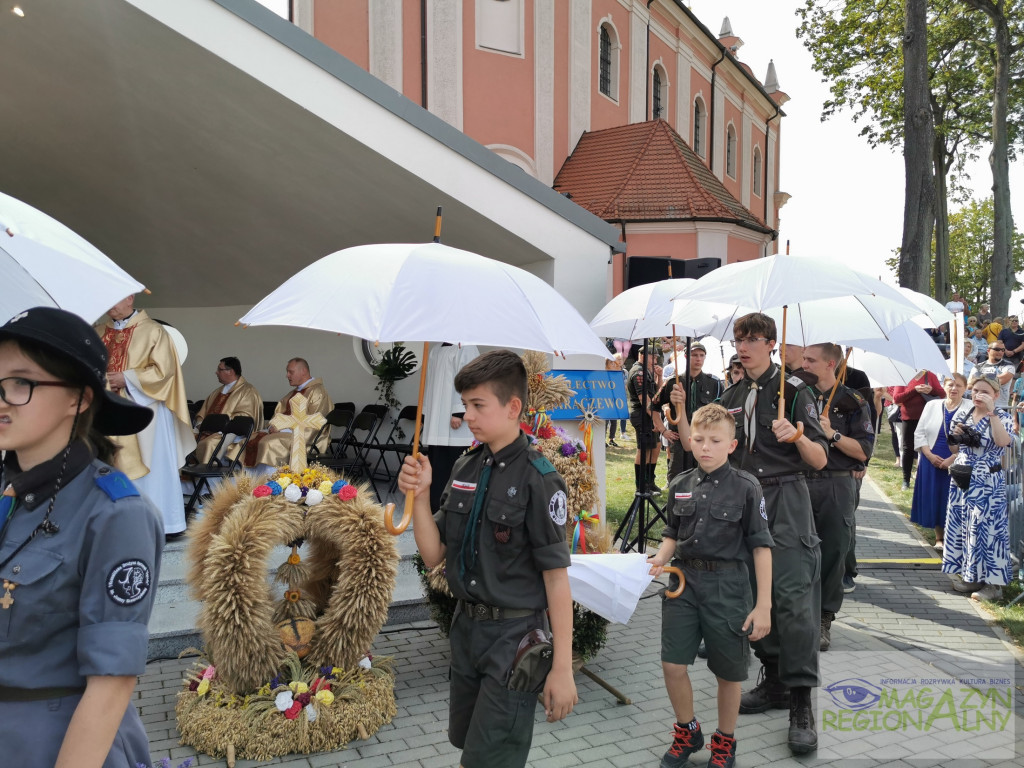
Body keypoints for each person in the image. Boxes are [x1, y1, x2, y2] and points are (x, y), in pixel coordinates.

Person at [396, 350, 576, 768]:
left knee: (487, 761)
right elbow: (433, 553)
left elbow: (556, 580)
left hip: (513, 640)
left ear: (513, 407)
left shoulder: (540, 479)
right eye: (465, 406)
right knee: (468, 745)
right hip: (466, 632)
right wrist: (420, 496)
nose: (469, 416)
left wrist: (562, 669)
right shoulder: (466, 466)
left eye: (478, 405)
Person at [0, 306, 162, 767]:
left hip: (60, 744)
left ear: (79, 399)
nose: (2, 398)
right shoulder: (9, 492)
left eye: (21, 383)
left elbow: (111, 686)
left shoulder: (115, 515)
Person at [718, 313, 827, 755]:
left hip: (786, 502)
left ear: (772, 344)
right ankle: (776, 678)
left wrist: (797, 436)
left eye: (753, 339)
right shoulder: (733, 394)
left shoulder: (796, 392)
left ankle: (801, 699)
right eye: (739, 339)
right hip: (745, 502)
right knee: (750, 595)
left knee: (792, 598)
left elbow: (819, 459)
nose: (743, 347)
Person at [647, 403, 773, 768]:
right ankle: (687, 731)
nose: (705, 447)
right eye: (698, 439)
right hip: (682, 583)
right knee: (672, 664)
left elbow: (761, 548)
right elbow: (672, 532)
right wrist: (659, 558)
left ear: (731, 445)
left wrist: (763, 605)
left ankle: (725, 741)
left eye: (715, 440)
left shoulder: (747, 487)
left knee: (727, 672)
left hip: (728, 587)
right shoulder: (680, 484)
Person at [95, 294, 194, 537]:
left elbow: (164, 372)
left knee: (153, 466)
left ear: (130, 298)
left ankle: (160, 523)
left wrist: (126, 378)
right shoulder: (97, 332)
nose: (109, 304)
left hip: (146, 411)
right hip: (105, 410)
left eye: (115, 299)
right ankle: (112, 524)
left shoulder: (153, 331)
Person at [801, 344, 874, 652]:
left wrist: (833, 434)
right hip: (799, 482)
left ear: (830, 364)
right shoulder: (794, 394)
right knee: (796, 551)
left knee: (833, 554)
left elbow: (864, 451)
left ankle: (823, 619)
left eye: (810, 360)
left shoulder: (853, 401)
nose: (803, 364)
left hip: (835, 484)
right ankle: (796, 615)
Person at [942, 374, 1014, 602]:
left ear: (995, 394)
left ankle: (993, 585)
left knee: (988, 531)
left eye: (983, 391)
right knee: (965, 527)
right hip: (963, 480)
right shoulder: (964, 414)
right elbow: (955, 451)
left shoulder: (1002, 416)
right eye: (974, 391)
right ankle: (971, 575)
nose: (977, 395)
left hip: (987, 483)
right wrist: (957, 437)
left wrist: (992, 414)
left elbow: (1003, 442)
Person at [911, 373, 972, 550]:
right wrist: (929, 455)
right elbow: (919, 432)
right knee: (936, 497)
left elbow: (970, 438)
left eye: (958, 385)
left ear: (965, 388)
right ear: (944, 387)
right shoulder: (932, 405)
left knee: (951, 498)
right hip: (932, 457)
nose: (954, 388)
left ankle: (956, 539)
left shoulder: (970, 407)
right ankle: (940, 538)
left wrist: (953, 458)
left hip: (957, 459)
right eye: (950, 384)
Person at [243, 357, 332, 472]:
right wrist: (272, 427)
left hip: (307, 438)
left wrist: (282, 430)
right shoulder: (293, 393)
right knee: (248, 439)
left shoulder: (318, 392)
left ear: (303, 371)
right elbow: (277, 416)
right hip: (285, 434)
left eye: (291, 372)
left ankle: (270, 482)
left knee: (268, 443)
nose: (287, 375)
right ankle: (250, 482)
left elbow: (316, 423)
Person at [422, 343, 480, 512]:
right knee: (437, 467)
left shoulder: (466, 347)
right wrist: (426, 412)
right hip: (437, 421)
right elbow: (429, 381)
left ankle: (453, 507)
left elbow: (470, 381)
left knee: (454, 466)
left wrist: (459, 411)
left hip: (455, 423)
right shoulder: (435, 350)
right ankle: (435, 506)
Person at [656, 342, 724, 481]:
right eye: (694, 355)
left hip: (704, 441)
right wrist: (663, 431)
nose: (698, 359)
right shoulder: (673, 382)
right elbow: (652, 407)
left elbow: (722, 413)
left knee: (705, 481)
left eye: (701, 355)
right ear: (686, 356)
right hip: (679, 442)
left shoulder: (715, 383)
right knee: (678, 482)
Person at [191, 356, 263, 464]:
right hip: (207, 432)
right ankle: (184, 476)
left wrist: (219, 426)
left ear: (230, 371)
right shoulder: (216, 392)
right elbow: (202, 413)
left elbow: (245, 417)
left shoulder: (248, 391)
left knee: (209, 443)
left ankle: (206, 476)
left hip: (230, 434)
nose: (216, 372)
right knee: (184, 440)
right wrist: (200, 424)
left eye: (220, 369)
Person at [890, 369, 944, 490]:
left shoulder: (931, 375)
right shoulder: (903, 376)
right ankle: (906, 479)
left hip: (929, 418)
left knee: (928, 448)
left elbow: (943, 394)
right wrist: (915, 390)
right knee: (908, 448)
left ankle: (924, 479)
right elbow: (897, 399)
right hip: (909, 418)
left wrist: (932, 390)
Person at [627, 345, 666, 493]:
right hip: (642, 414)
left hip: (650, 414)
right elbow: (645, 401)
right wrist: (657, 421)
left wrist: (659, 377)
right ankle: (641, 485)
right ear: (642, 355)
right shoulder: (639, 372)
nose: (655, 359)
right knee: (644, 450)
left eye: (656, 357)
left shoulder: (647, 372)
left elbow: (657, 393)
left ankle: (649, 482)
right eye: (652, 356)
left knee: (654, 448)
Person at [972, 341, 1015, 408]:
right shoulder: (978, 366)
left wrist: (979, 378)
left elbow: (998, 381)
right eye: (997, 349)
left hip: (1000, 407)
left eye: (1003, 350)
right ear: (988, 350)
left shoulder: (1009, 366)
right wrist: (992, 378)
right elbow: (970, 384)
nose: (1000, 352)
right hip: (980, 406)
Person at [605, 353, 625, 448]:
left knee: (614, 421)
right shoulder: (604, 374)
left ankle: (611, 439)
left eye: (614, 363)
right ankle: (603, 439)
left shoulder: (618, 373)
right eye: (611, 363)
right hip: (606, 400)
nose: (613, 365)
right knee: (605, 421)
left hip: (615, 400)